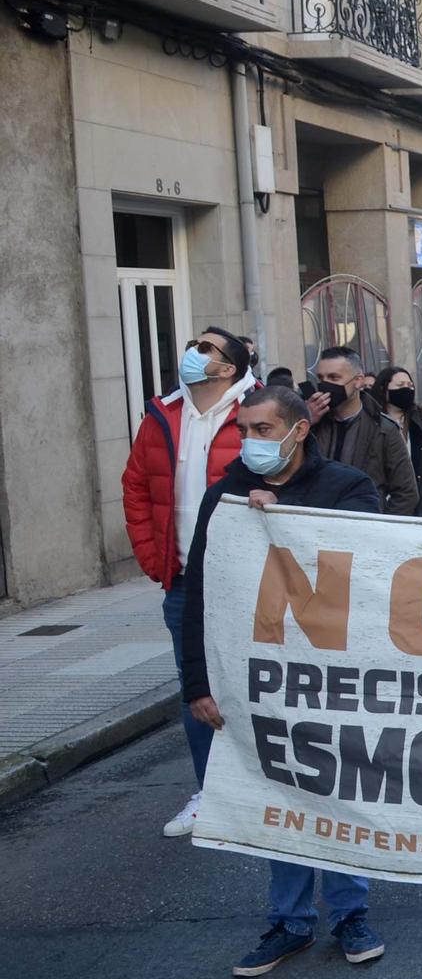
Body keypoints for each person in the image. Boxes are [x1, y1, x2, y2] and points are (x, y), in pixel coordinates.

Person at [176, 386, 386, 975]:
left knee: (336, 792)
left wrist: (286, 521)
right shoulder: (227, 494)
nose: (250, 441)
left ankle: (350, 914)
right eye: (245, 429)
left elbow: (371, 559)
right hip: (259, 678)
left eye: (263, 430)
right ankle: (289, 922)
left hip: (331, 673)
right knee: (279, 796)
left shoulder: (346, 486)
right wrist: (197, 683)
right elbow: (201, 593)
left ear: (298, 431)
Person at [120, 326, 257, 836]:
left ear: (229, 367)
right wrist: (152, 555)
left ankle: (268, 790)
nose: (191, 353)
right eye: (193, 345)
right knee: (196, 690)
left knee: (261, 686)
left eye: (205, 348)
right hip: (184, 584)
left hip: (249, 583)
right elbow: (136, 485)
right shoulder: (163, 415)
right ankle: (211, 791)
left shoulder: (258, 411)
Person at [307, 347, 419, 515]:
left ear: (358, 380)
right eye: (321, 378)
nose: (325, 384)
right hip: (317, 526)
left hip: (364, 528)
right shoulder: (311, 425)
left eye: (334, 377)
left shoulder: (383, 429)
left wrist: (379, 526)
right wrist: (305, 423)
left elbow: (406, 493)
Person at [371, 367, 422, 518]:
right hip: (386, 511)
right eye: (400, 385)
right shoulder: (371, 424)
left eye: (410, 385)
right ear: (384, 390)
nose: (406, 389)